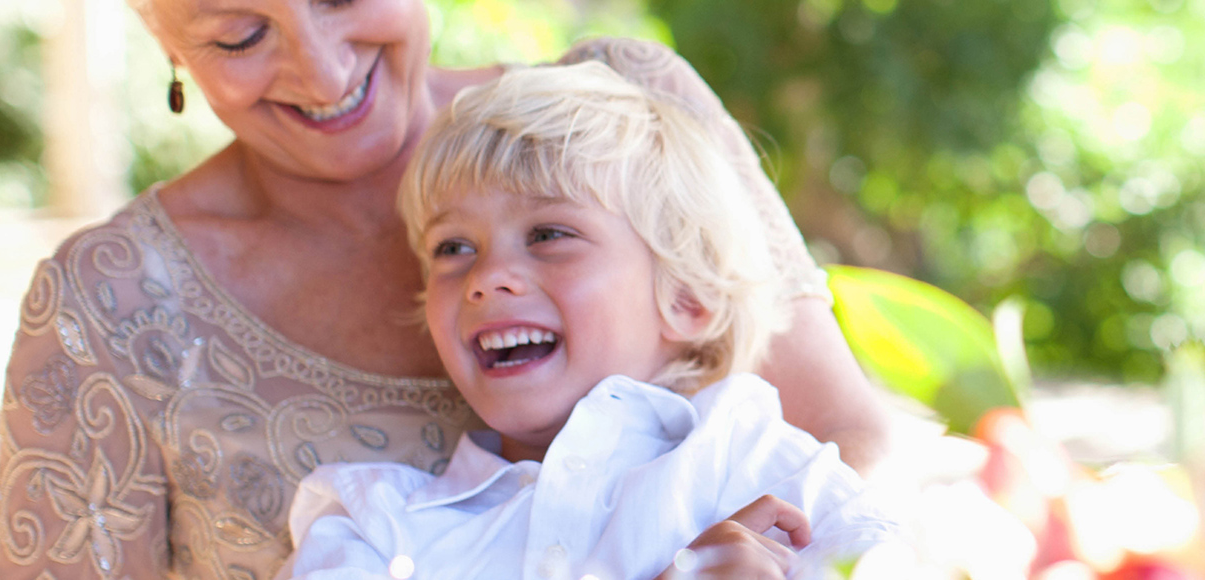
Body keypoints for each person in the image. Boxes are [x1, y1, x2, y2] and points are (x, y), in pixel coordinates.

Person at [0, 0, 890, 580]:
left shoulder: (627, 122)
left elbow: (853, 444)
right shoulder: (112, 310)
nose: (325, 70)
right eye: (240, 35)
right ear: (153, 21)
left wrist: (766, 557)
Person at [279, 63, 897, 580]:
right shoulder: (374, 525)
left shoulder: (765, 466)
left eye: (549, 234)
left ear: (685, 297)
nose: (487, 276)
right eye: (452, 249)